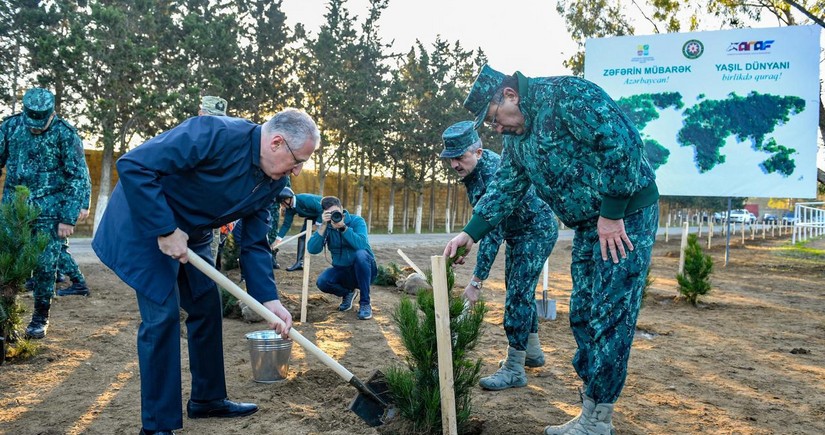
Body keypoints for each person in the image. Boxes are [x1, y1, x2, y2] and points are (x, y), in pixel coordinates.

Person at [443, 64, 659, 435]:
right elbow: (507, 185)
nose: (495, 128)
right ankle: (590, 411)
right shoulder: (515, 138)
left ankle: (597, 421)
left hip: (626, 217)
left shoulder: (568, 96)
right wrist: (471, 232)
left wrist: (612, 213)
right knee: (583, 313)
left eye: (493, 118)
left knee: (610, 315)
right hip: (589, 226)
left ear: (510, 95)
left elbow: (622, 143)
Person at [92, 108, 319, 435]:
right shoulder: (214, 133)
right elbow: (134, 164)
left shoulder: (274, 182)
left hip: (193, 235)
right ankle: (157, 425)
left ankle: (208, 399)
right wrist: (165, 229)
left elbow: (254, 244)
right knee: (162, 317)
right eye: (298, 160)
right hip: (147, 224)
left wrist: (267, 299)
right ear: (277, 143)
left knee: (206, 307)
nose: (298, 172)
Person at [441, 121, 558, 390]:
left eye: (461, 157)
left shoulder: (492, 171)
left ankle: (515, 368)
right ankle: (533, 352)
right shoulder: (473, 173)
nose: (455, 164)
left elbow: (493, 229)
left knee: (516, 294)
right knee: (521, 291)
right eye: (451, 159)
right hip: (519, 231)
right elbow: (484, 222)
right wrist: (469, 240)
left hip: (535, 229)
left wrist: (476, 282)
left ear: (478, 152)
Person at [0, 87, 90, 339]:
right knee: (7, 265)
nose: (35, 128)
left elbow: (77, 177)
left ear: (51, 114)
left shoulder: (66, 134)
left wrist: (68, 217)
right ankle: (5, 321)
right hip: (13, 209)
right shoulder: (10, 127)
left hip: (50, 212)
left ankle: (40, 317)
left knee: (45, 266)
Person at [307, 196, 377, 320]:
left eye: (336, 212)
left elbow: (362, 245)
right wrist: (323, 225)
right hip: (343, 271)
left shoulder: (356, 221)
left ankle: (365, 303)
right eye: (330, 213)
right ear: (324, 213)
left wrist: (343, 228)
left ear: (342, 209)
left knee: (361, 255)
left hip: (365, 269)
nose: (334, 215)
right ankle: (348, 293)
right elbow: (312, 249)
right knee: (322, 282)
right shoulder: (326, 227)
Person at [197, 95, 229, 261]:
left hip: (211, 224)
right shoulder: (184, 141)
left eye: (219, 120)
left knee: (206, 270)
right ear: (200, 114)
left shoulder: (222, 149)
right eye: (211, 119)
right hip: (181, 224)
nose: (215, 125)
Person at [56, 162, 93, 296]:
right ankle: (57, 274)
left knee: (56, 247)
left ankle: (79, 282)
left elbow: (83, 177)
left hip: (61, 205)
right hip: (54, 203)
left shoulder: (68, 144)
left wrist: (84, 205)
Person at [276, 191, 323, 271]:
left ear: (287, 199)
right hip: (312, 217)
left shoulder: (304, 200)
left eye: (282, 203)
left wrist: (318, 224)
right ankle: (299, 263)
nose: (282, 206)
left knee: (331, 236)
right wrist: (278, 240)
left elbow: (321, 209)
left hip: (326, 213)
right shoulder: (290, 208)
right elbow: (286, 225)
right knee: (302, 237)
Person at [266, 185, 295, 269]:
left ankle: (272, 258)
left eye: (283, 204)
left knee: (272, 233)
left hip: (274, 209)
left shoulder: (284, 178)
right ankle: (265, 258)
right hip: (266, 205)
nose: (283, 206)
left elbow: (287, 188)